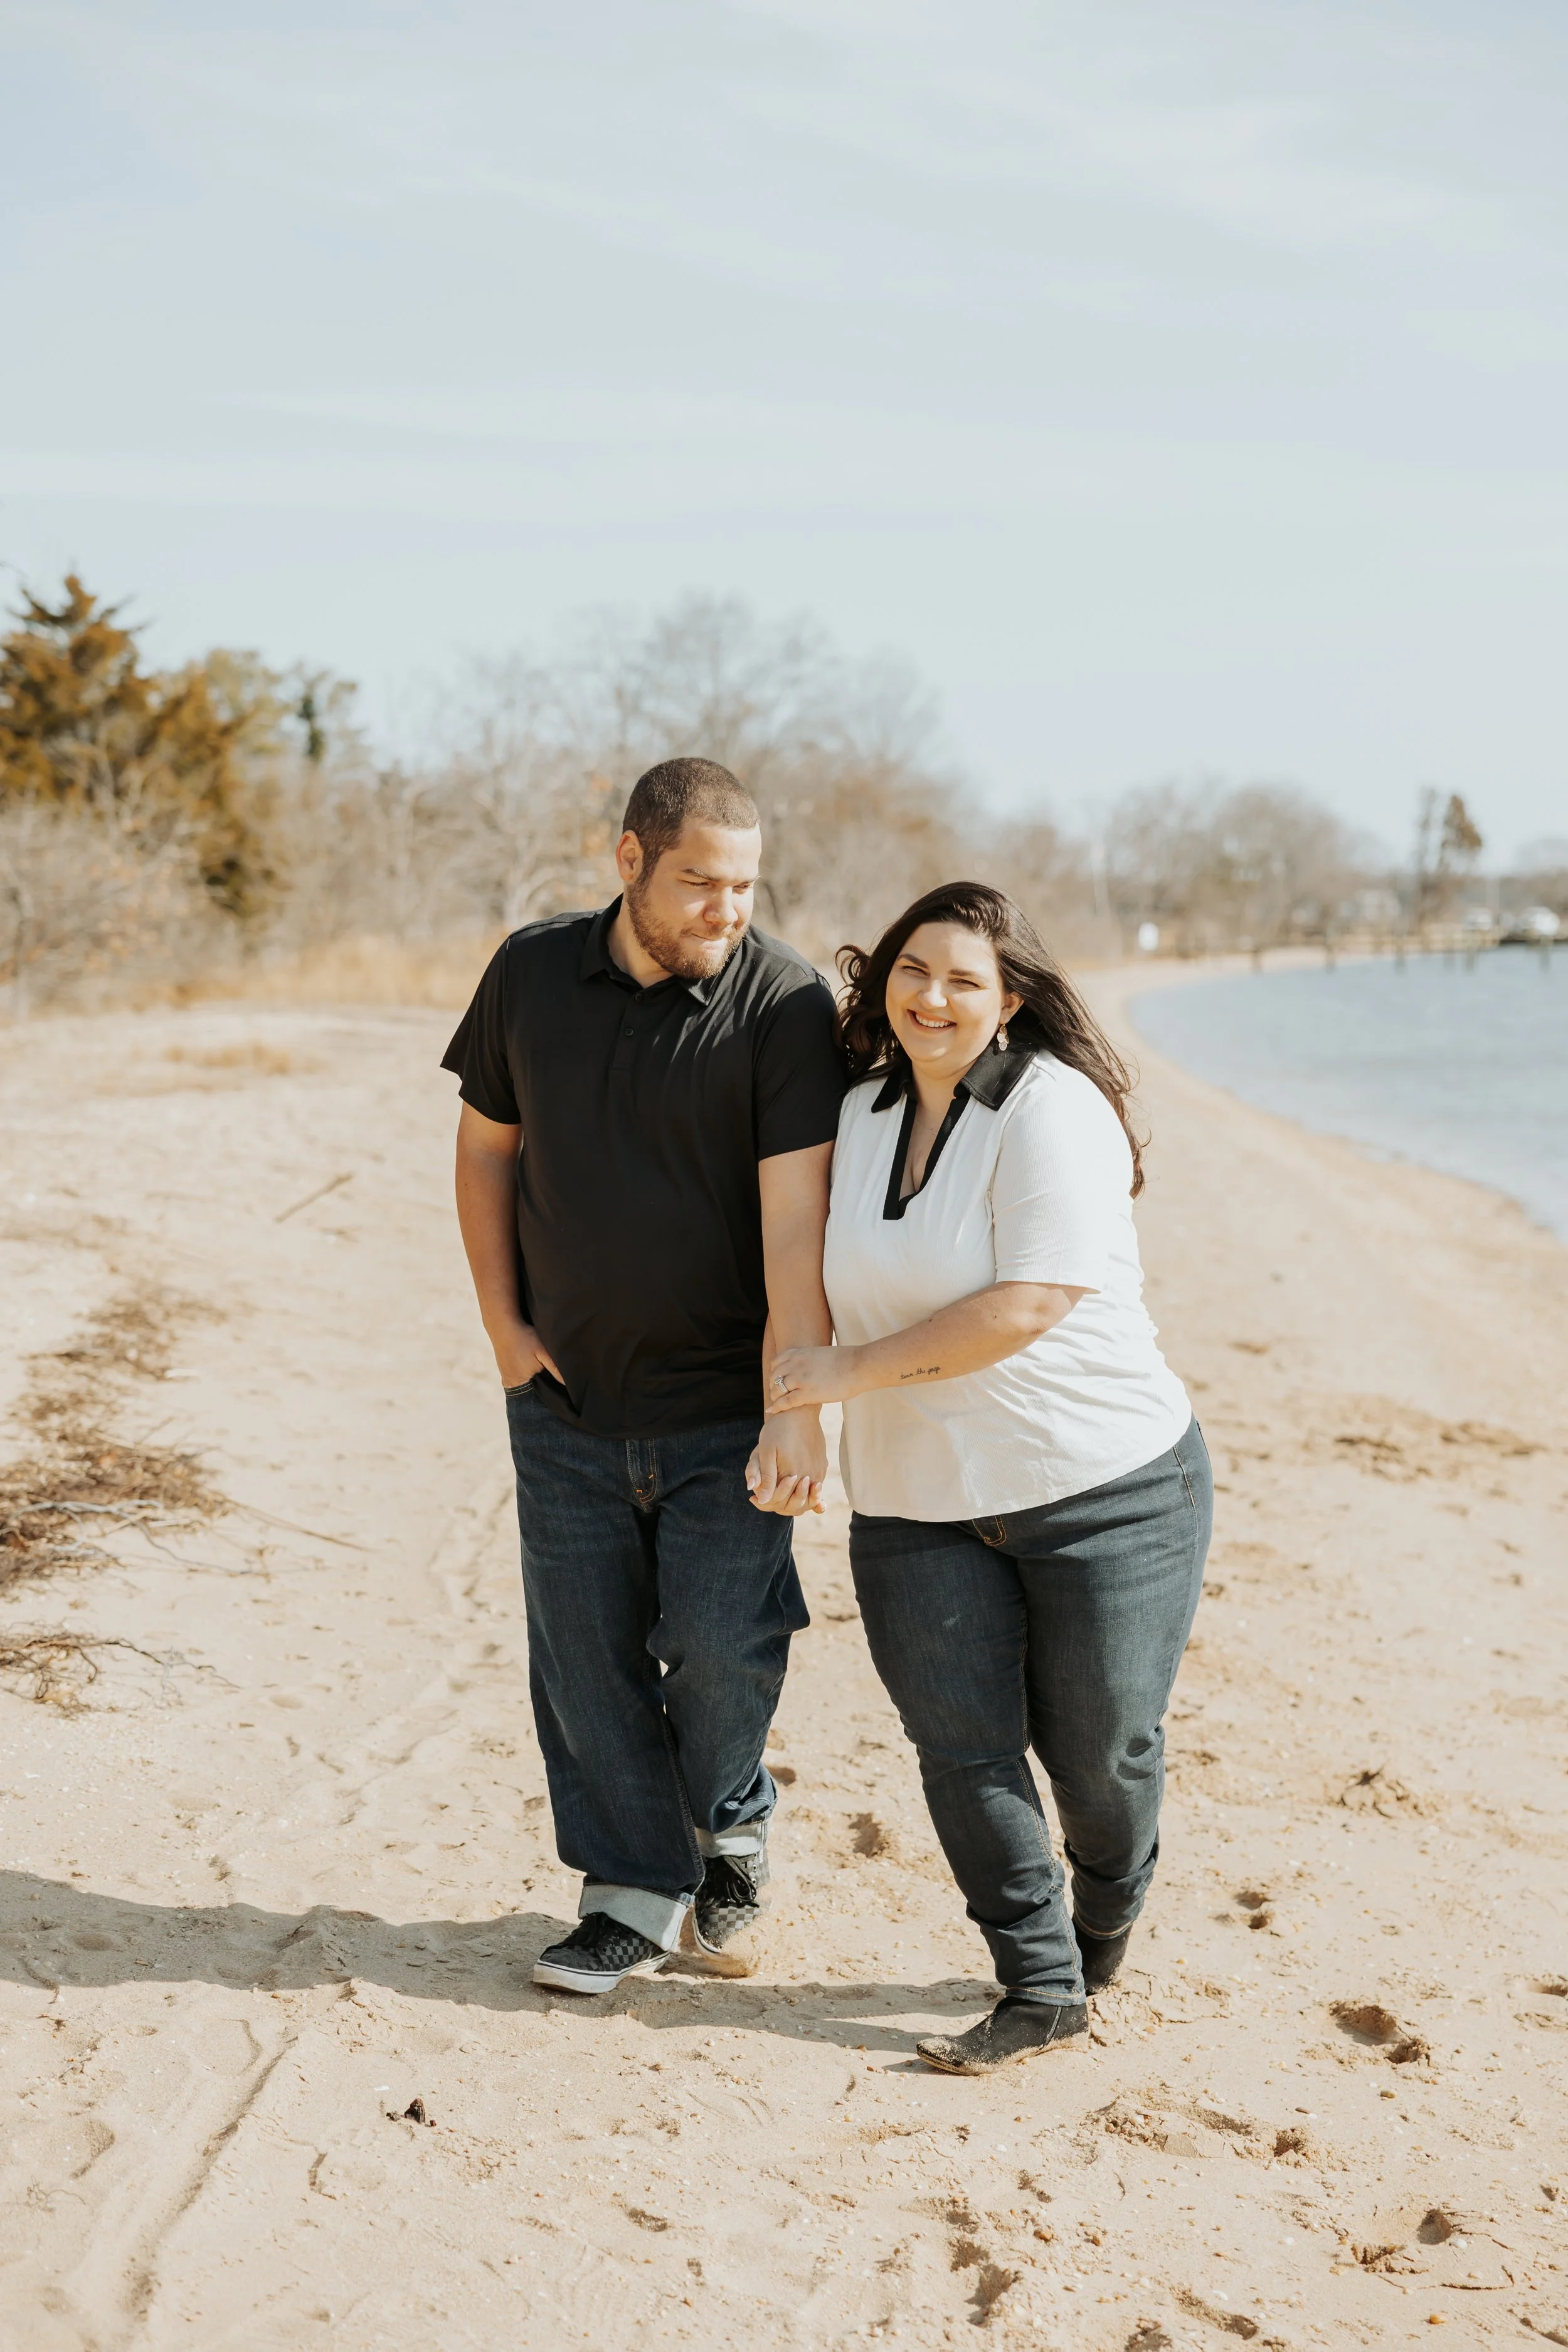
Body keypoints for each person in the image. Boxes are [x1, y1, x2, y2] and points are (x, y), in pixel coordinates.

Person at [765, 881, 1209, 2075]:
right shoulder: (853, 1112)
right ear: (884, 982)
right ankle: (1039, 1980)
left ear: (1009, 1003)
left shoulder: (1054, 1110)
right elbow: (791, 1270)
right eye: (915, 969)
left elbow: (1028, 1303)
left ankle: (1105, 1909)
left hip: (1104, 1485)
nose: (934, 995)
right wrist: (795, 1409)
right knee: (961, 1746)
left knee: (1102, 1750)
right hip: (915, 1498)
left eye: (966, 978)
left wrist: (846, 1369)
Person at [442, 758, 844, 1996]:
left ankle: (727, 1823)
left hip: (725, 1407)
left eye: (744, 887)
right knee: (586, 1654)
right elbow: (484, 1159)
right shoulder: (527, 974)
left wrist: (798, 1410)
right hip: (562, 1403)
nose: (726, 910)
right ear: (629, 864)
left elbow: (796, 1227)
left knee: (722, 1643)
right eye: (699, 884)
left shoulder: (780, 1008)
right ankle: (627, 1892)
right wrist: (505, 1333)